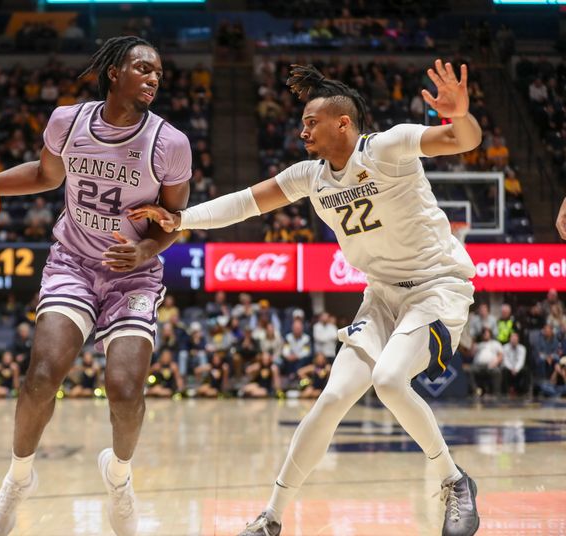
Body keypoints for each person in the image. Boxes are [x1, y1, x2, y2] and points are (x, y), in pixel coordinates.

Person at [130, 59, 482, 536]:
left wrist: (459, 114)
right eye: (302, 125)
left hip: (437, 286)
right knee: (333, 397)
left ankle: (455, 481)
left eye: (311, 123)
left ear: (344, 122)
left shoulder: (388, 147)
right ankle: (271, 517)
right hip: (380, 297)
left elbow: (463, 141)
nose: (302, 132)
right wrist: (182, 219)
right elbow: (244, 202)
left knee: (390, 379)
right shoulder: (308, 176)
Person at [0, 36, 191, 536]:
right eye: (142, 68)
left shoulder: (170, 143)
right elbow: (47, 175)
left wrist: (145, 249)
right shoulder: (67, 121)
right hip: (73, 260)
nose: (154, 77)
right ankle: (16, 481)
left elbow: (174, 219)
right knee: (43, 373)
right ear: (114, 72)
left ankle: (119, 478)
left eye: (158, 71)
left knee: (126, 389)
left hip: (132, 272)